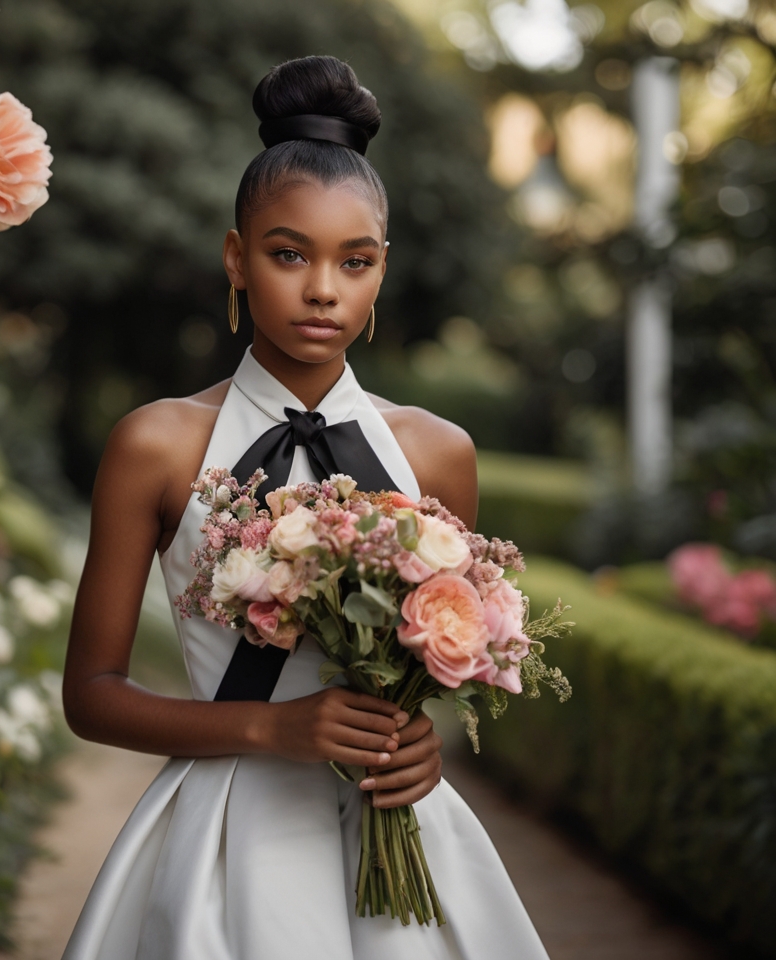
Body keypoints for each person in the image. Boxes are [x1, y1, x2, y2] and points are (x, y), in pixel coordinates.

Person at [61, 55, 549, 960]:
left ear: (380, 273)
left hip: (394, 824)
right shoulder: (156, 444)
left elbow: (434, 663)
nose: (323, 288)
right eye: (289, 254)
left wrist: (420, 744)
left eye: (353, 262)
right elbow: (91, 697)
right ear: (236, 260)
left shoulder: (440, 451)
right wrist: (268, 726)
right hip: (226, 829)